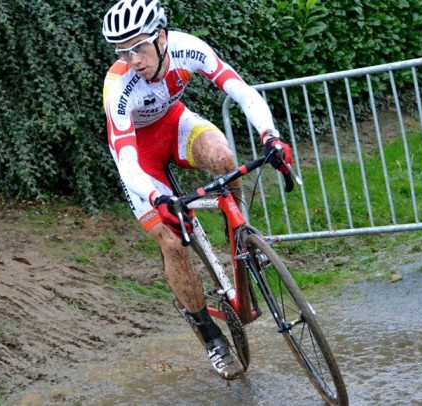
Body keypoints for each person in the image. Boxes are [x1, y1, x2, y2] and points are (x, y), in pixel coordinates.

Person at [102, 0, 293, 380]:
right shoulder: (118, 86)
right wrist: (157, 197)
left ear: (160, 36)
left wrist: (270, 135)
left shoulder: (189, 48)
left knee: (224, 158)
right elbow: (126, 160)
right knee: (172, 242)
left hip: (174, 125)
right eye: (122, 52)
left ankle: (239, 239)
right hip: (139, 157)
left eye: (138, 46)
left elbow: (241, 90)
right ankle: (209, 335)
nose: (132, 59)